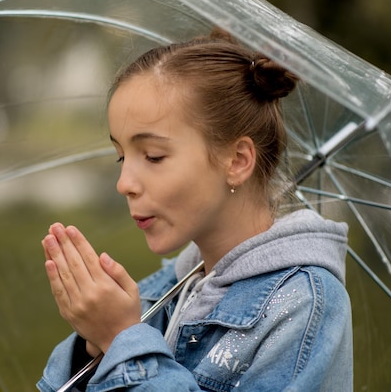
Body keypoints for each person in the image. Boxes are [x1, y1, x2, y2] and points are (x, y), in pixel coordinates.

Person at [36, 30, 353, 391]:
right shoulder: (163, 292)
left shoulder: (304, 305)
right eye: (122, 156)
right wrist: (95, 346)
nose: (125, 183)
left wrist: (123, 339)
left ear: (236, 160)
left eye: (153, 156)